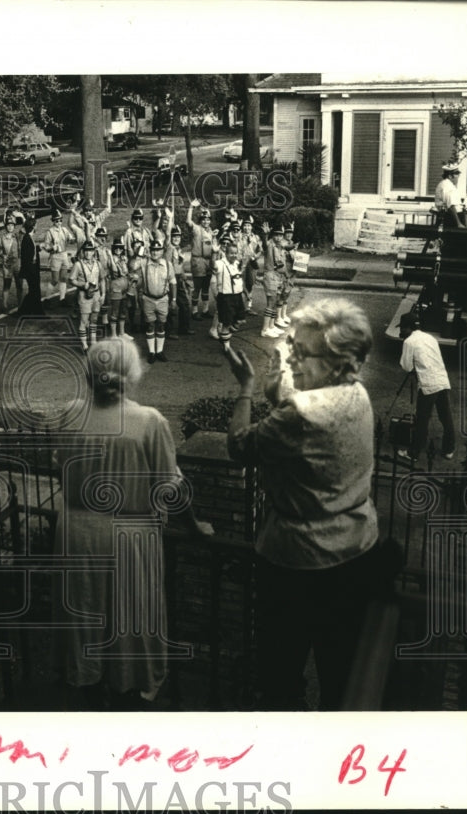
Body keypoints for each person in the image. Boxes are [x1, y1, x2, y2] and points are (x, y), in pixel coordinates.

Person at [225, 298, 390, 710]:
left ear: (337, 361)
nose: (292, 359)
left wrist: (246, 390)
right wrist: (276, 397)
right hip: (356, 553)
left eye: (301, 351)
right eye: (291, 348)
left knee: (279, 675)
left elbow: (240, 446)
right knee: (340, 674)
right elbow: (309, 429)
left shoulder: (299, 412)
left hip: (297, 565)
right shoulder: (357, 394)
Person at [53, 339, 211, 710]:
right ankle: (126, 694)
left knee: (85, 612)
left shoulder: (69, 414)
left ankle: (88, 690)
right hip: (128, 536)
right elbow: (170, 490)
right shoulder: (148, 421)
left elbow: (61, 468)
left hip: (76, 533)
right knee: (127, 616)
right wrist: (193, 527)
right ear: (132, 373)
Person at [398, 314, 456, 463]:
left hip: (428, 384)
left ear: (408, 328)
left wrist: (405, 345)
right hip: (442, 380)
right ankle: (449, 449)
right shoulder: (430, 338)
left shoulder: (409, 342)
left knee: (422, 418)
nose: (401, 332)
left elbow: (406, 366)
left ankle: (414, 453)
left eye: (402, 328)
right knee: (445, 416)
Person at [140, 239, 176, 363]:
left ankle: (159, 351)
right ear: (150, 251)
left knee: (161, 324)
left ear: (162, 251)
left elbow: (173, 282)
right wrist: (139, 253)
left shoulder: (167, 264)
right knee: (150, 325)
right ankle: (152, 352)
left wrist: (174, 299)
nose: (155, 253)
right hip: (148, 298)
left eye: (158, 250)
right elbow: (132, 268)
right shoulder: (144, 263)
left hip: (163, 299)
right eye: (153, 250)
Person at [69, 239, 105, 353]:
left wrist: (103, 294)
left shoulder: (98, 264)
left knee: (94, 319)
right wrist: (82, 285)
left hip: (96, 294)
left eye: (90, 251)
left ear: (94, 251)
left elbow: (102, 279)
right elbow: (71, 280)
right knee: (84, 320)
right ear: (83, 252)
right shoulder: (78, 265)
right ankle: (84, 345)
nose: (88, 253)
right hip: (84, 294)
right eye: (86, 251)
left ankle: (93, 342)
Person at [185, 201, 216, 325]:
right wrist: (191, 207)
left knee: (206, 287)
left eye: (208, 220)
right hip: (198, 260)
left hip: (208, 261)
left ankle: (205, 309)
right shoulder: (196, 229)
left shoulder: (211, 232)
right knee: (197, 287)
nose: (206, 222)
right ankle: (194, 311)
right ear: (200, 221)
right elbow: (188, 222)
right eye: (203, 220)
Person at [212, 239, 245, 353]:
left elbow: (239, 279)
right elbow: (213, 266)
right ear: (226, 253)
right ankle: (226, 347)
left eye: (235, 253)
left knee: (240, 320)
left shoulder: (237, 263)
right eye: (231, 253)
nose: (234, 255)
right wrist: (213, 253)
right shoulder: (220, 263)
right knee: (226, 323)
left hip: (237, 296)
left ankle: (224, 336)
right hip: (226, 297)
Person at [260, 226, 288, 339]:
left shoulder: (280, 247)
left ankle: (271, 326)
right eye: (276, 235)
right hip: (270, 276)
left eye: (280, 235)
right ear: (272, 236)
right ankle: (265, 329)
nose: (278, 237)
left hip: (278, 276)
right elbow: (264, 245)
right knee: (270, 303)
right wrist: (265, 235)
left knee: (276, 301)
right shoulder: (270, 244)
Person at [16, 212, 45, 317]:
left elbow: (30, 252)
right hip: (31, 269)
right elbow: (27, 256)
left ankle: (31, 311)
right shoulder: (27, 239)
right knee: (34, 290)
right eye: (36, 225)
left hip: (33, 268)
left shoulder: (29, 238)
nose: (37, 226)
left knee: (34, 290)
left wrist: (38, 248)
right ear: (33, 227)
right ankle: (27, 311)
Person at [165, 224, 192, 338]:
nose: (176, 238)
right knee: (172, 305)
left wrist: (185, 279)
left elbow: (180, 266)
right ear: (171, 238)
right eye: (174, 236)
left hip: (179, 278)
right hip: (171, 279)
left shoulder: (178, 249)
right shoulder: (169, 249)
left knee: (185, 304)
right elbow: (167, 266)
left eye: (178, 236)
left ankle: (184, 329)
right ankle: (169, 331)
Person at [43, 209, 75, 303]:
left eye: (60, 220)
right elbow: (46, 246)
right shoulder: (50, 232)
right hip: (55, 256)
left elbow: (71, 239)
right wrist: (52, 247)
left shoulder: (64, 230)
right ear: (53, 221)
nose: (59, 222)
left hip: (64, 254)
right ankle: (47, 298)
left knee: (64, 278)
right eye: (56, 220)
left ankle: (62, 298)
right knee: (55, 279)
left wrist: (75, 238)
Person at [104, 236, 131, 337]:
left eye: (120, 248)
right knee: (115, 310)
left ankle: (122, 333)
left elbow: (126, 272)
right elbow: (115, 272)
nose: (118, 250)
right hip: (116, 286)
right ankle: (114, 334)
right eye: (116, 248)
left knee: (123, 310)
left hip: (125, 286)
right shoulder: (111, 259)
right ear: (113, 249)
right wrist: (110, 257)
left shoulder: (123, 259)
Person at [0, 216, 21, 312]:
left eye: (12, 225)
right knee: (6, 285)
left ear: (14, 226)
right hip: (7, 265)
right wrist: (3, 255)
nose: (10, 227)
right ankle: (4, 305)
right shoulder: (2, 238)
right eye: (8, 225)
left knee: (19, 285)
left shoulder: (17, 237)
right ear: (6, 226)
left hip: (17, 263)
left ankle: (20, 304)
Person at [237, 217, 263, 318]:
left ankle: (248, 307)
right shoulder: (239, 236)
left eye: (249, 225)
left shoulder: (256, 237)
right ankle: (241, 306)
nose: (247, 228)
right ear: (243, 227)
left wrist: (256, 256)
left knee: (250, 284)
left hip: (252, 264)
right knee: (240, 284)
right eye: (245, 225)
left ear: (251, 227)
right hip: (241, 263)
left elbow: (260, 250)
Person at [434, 163, 467, 228]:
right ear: (450, 176)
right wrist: (458, 223)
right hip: (450, 218)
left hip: (452, 217)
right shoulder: (447, 186)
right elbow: (451, 206)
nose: (458, 176)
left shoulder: (448, 184)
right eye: (456, 173)